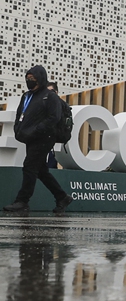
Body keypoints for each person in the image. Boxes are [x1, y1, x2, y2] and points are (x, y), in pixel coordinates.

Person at [3, 65, 72, 213]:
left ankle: (22, 201)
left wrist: (36, 130)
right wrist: (18, 129)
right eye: (28, 78)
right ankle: (62, 197)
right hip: (30, 138)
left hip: (45, 138)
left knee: (29, 166)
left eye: (32, 79)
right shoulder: (27, 96)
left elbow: (54, 118)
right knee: (40, 171)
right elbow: (19, 114)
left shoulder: (50, 96)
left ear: (40, 78)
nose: (29, 81)